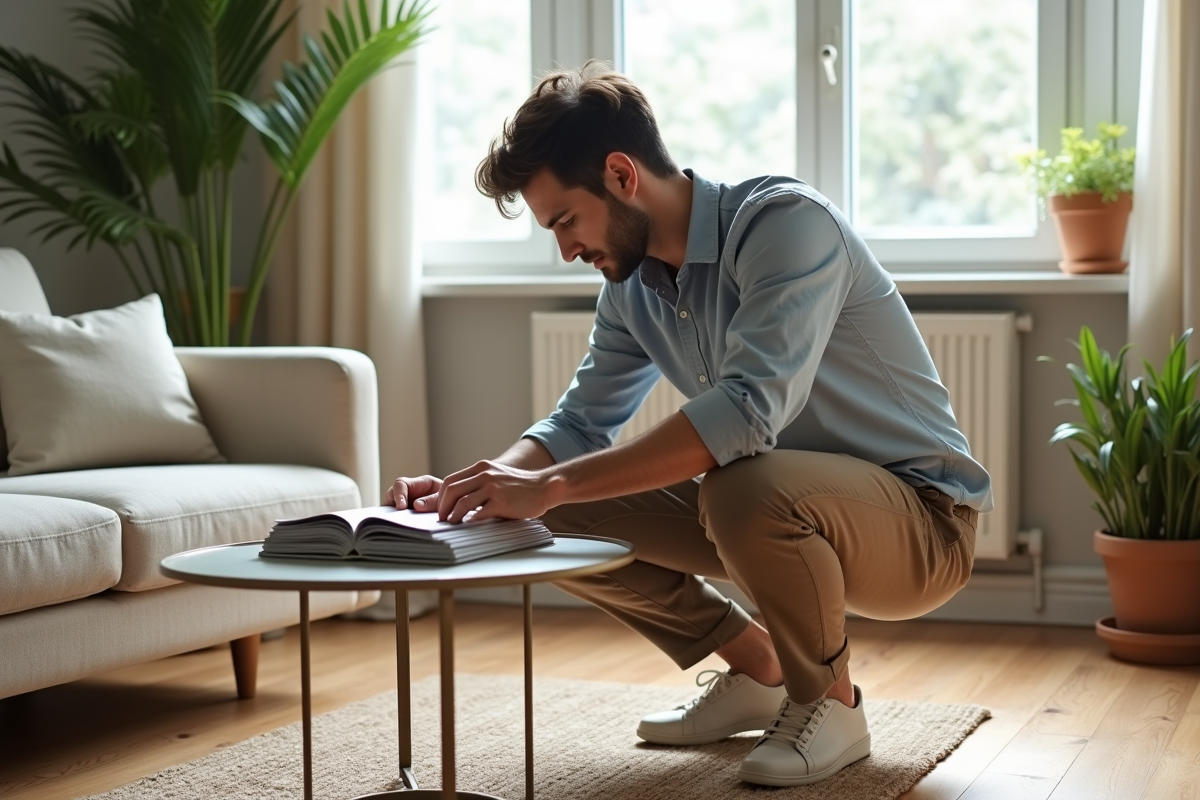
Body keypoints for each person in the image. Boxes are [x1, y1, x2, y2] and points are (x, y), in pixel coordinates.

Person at [387, 61, 991, 787]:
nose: (566, 250)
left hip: (922, 526)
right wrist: (481, 489)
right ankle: (761, 666)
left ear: (621, 175)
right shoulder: (631, 287)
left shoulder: (786, 225)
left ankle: (831, 702)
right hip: (784, 506)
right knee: (545, 517)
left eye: (566, 221)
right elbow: (578, 424)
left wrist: (549, 483)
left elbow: (745, 412)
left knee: (737, 486)